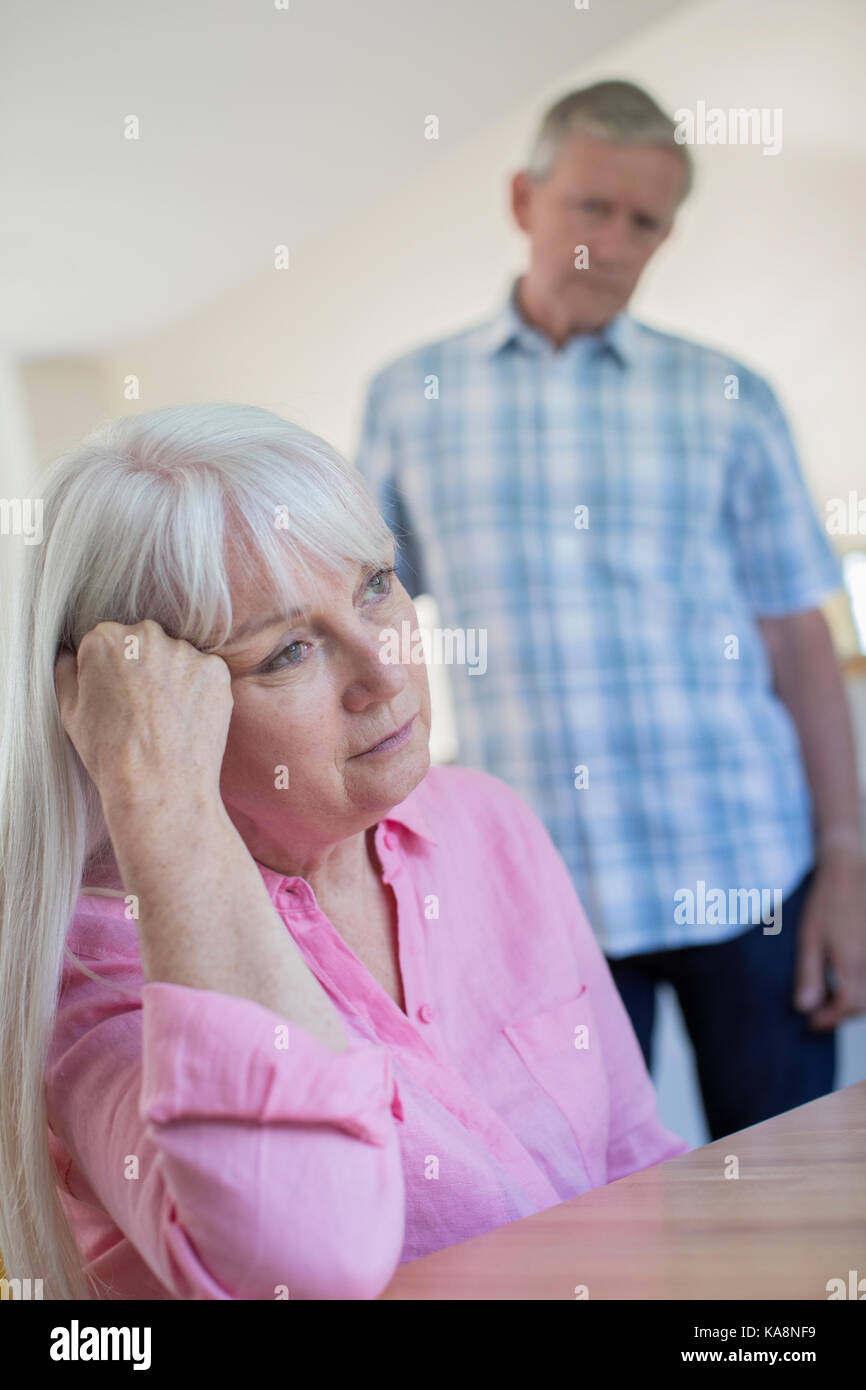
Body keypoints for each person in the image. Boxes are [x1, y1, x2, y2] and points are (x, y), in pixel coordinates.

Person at [0, 402, 686, 1301]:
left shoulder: (486, 821)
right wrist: (163, 806)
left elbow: (642, 1168)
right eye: (287, 651)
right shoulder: (90, 966)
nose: (385, 669)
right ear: (155, 715)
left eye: (375, 585)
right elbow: (306, 1268)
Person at [354, 80, 866, 1142]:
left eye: (645, 220)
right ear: (522, 199)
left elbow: (796, 636)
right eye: (592, 206)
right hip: (541, 905)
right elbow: (368, 616)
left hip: (752, 872)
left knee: (795, 1199)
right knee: (589, 1217)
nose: (616, 239)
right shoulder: (410, 398)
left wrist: (846, 858)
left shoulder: (729, 394)